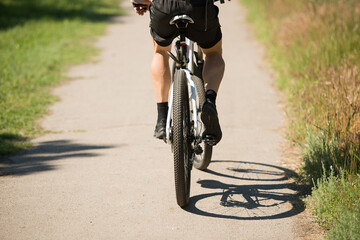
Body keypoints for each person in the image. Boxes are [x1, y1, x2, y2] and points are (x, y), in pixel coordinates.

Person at [132, 0, 225, 145]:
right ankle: (210, 101)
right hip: (199, 10)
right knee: (213, 53)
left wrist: (140, 2)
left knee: (160, 52)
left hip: (164, 8)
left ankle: (162, 118)